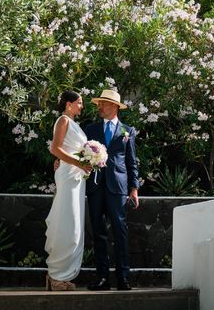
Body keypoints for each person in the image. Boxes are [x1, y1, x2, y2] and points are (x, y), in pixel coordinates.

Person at [85, 89, 140, 291]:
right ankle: (102, 279)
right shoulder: (90, 129)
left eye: (104, 103)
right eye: (99, 103)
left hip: (118, 186)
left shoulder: (128, 131)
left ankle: (123, 278)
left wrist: (134, 189)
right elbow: (77, 153)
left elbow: (131, 161)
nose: (99, 107)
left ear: (115, 107)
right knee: (98, 232)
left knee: (120, 231)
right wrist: (60, 161)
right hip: (95, 185)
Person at [44, 90, 92, 291]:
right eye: (79, 102)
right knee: (67, 224)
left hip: (77, 178)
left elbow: (65, 149)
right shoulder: (62, 121)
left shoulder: (74, 124)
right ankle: (56, 276)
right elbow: (55, 149)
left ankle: (58, 276)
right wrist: (79, 163)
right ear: (68, 104)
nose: (82, 106)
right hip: (68, 175)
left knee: (75, 225)